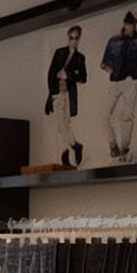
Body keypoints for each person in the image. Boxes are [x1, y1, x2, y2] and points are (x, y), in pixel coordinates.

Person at [99, 10, 137, 161]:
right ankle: (113, 144)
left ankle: (124, 148)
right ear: (125, 25)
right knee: (104, 115)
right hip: (116, 81)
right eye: (128, 25)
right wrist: (109, 69)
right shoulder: (114, 41)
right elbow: (104, 62)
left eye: (133, 25)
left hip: (131, 80)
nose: (130, 28)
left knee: (128, 116)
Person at [44, 25, 88, 167]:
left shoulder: (80, 58)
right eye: (71, 38)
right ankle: (72, 148)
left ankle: (71, 150)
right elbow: (51, 74)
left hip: (69, 95)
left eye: (76, 38)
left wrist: (68, 75)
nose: (73, 41)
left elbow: (83, 78)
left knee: (65, 125)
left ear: (79, 39)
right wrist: (51, 94)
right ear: (68, 38)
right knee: (60, 125)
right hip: (57, 93)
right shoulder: (59, 53)